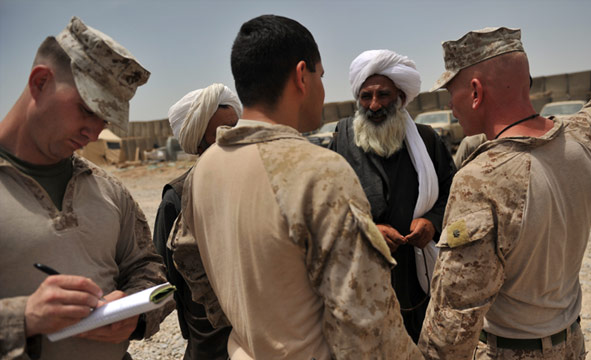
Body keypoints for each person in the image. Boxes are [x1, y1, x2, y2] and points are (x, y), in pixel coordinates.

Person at [170, 15, 423, 359]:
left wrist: (249, 328)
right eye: (321, 75)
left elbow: (188, 260)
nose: (322, 87)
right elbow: (367, 324)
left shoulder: (204, 170)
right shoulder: (318, 170)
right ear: (301, 75)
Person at [419, 24, 591, 359]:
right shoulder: (583, 138)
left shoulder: (481, 180)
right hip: (572, 345)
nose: (450, 104)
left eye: (451, 92)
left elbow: (454, 321)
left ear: (475, 92)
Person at [0, 17, 173, 360]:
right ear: (41, 81)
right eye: (86, 110)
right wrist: (23, 318)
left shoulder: (108, 189)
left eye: (104, 121)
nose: (93, 134)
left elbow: (149, 268)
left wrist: (133, 314)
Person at [328, 49, 456, 342]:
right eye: (366, 96)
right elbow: (328, 202)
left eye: (383, 95)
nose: (374, 105)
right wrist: (368, 230)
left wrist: (432, 222)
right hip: (361, 267)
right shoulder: (343, 137)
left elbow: (452, 189)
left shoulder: (426, 140)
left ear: (400, 97)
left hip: (415, 268)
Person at [152, 83, 241, 360]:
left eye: (235, 128)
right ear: (199, 141)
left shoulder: (255, 184)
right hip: (209, 337)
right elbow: (164, 275)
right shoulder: (176, 199)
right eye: (221, 132)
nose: (233, 138)